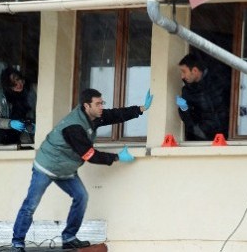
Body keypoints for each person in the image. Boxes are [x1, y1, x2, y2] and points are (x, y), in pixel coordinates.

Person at [11, 88, 154, 251]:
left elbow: (115, 114)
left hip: (67, 168)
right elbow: (90, 155)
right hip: (47, 165)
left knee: (81, 197)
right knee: (31, 204)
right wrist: (117, 157)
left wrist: (141, 109)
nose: (101, 107)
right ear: (87, 106)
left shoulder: (93, 117)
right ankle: (17, 243)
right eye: (98, 104)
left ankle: (69, 237)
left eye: (102, 103)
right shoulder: (74, 126)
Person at [175, 53, 231, 141]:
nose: (182, 76)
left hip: (229, 139)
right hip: (202, 141)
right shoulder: (187, 91)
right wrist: (198, 132)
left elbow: (232, 103)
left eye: (184, 71)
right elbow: (187, 117)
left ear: (195, 70)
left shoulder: (219, 80)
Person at [0, 68, 36, 145]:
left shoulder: (33, 90)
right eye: (13, 84)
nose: (18, 85)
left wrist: (38, 125)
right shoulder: (3, 97)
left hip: (31, 136)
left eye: (18, 80)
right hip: (10, 139)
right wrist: (10, 123)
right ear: (8, 87)